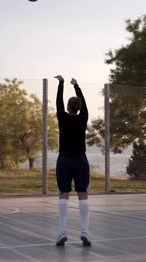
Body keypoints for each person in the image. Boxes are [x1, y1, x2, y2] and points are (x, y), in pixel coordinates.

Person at [54, 75, 91, 247]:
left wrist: (61, 83)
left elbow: (58, 102)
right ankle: (85, 231)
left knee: (64, 194)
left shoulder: (62, 117)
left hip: (64, 161)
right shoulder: (83, 118)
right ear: (80, 108)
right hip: (80, 161)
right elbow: (83, 104)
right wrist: (76, 85)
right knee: (82, 194)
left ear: (68, 107)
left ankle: (62, 232)